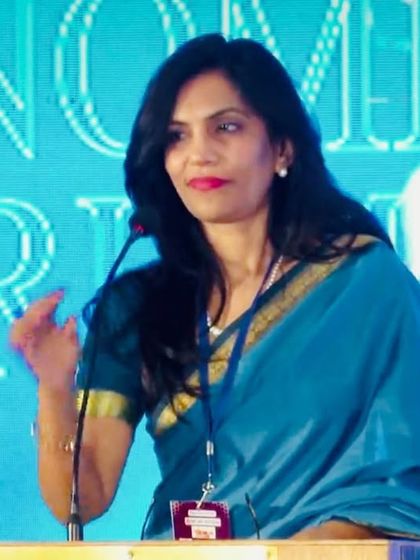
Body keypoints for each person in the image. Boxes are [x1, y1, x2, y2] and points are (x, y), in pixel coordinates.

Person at [10, 33, 420, 540]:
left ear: (282, 148)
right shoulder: (137, 306)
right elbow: (82, 499)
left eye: (226, 127)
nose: (199, 154)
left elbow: (400, 469)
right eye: (176, 136)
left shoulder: (363, 281)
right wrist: (55, 388)